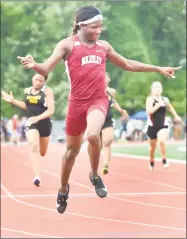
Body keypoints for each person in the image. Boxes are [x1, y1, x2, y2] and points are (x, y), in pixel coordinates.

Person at [17, 6, 182, 213]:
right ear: (81, 25)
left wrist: (157, 68)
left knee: (94, 135)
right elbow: (45, 69)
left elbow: (128, 64)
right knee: (71, 152)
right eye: (94, 27)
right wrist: (34, 64)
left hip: (98, 100)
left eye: (101, 27)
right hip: (76, 103)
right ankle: (63, 189)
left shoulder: (103, 46)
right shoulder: (67, 45)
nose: (99, 31)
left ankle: (94, 175)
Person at [1, 74, 55, 186]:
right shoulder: (27, 91)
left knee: (43, 152)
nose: (38, 82)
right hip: (31, 122)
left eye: (41, 81)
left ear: (44, 82)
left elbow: (51, 111)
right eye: (36, 79)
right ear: (32, 79)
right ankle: (37, 176)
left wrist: (38, 118)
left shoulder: (47, 91)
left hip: (44, 122)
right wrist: (13, 101)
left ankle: (41, 148)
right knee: (34, 145)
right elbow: (27, 106)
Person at [146, 81, 181, 171]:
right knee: (151, 149)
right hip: (152, 126)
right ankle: (151, 160)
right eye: (155, 87)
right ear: (152, 89)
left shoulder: (165, 99)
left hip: (163, 125)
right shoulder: (150, 99)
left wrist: (176, 116)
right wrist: (158, 105)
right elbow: (149, 111)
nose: (157, 89)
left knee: (161, 141)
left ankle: (164, 159)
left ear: (161, 89)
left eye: (159, 87)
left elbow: (170, 108)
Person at [100, 73, 128, 174]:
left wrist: (121, 110)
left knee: (107, 141)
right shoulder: (94, 89)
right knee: (96, 146)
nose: (105, 79)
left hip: (107, 120)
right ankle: (94, 165)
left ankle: (105, 165)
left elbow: (113, 102)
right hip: (96, 121)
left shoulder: (111, 91)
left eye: (106, 77)